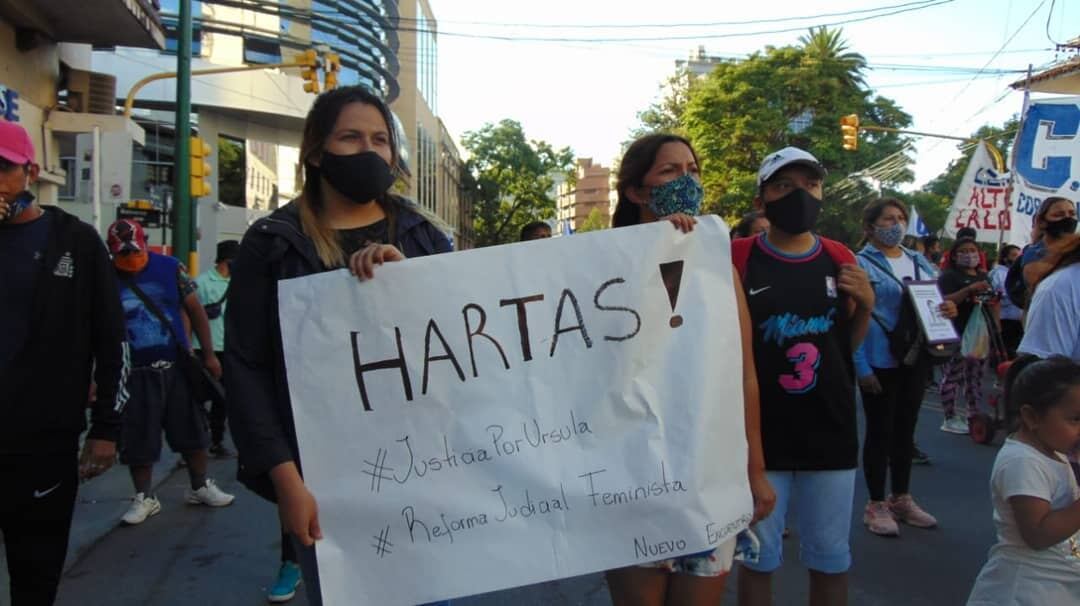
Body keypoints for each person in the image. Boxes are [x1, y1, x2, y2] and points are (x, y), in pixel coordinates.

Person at [225, 86, 453, 606]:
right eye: (350, 137)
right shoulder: (273, 243)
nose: (369, 150)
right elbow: (247, 367)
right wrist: (286, 480)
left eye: (380, 139)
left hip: (431, 472)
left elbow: (458, 351)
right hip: (327, 484)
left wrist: (412, 284)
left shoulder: (423, 237)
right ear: (315, 151)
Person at [607, 133, 775, 605]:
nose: (687, 180)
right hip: (631, 476)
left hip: (708, 473)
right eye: (670, 171)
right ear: (637, 192)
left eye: (693, 169)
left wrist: (755, 471)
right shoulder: (602, 267)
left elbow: (744, 374)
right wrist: (657, 249)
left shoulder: (716, 264)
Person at [734, 147, 874, 606]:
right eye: (783, 186)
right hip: (759, 438)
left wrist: (866, 307)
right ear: (761, 200)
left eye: (810, 185)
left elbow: (842, 349)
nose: (800, 196)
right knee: (758, 559)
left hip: (830, 431)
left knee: (831, 559)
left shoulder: (838, 257)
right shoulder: (735, 258)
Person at [0, 121, 128, 605]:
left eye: (3, 168)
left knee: (34, 577)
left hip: (42, 444)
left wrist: (106, 429)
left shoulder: (73, 241)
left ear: (30, 172)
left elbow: (112, 338)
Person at [108, 219, 235, 525]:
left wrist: (208, 355)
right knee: (139, 436)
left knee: (192, 428)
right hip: (134, 370)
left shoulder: (170, 267)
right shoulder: (104, 275)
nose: (130, 261)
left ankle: (200, 484)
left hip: (177, 364)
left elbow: (196, 311)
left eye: (134, 252)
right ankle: (144, 496)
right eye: (123, 255)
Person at [853, 198, 958, 537]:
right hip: (878, 358)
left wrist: (947, 311)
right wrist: (861, 366)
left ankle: (901, 497)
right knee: (879, 431)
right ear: (870, 228)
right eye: (888, 219)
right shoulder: (859, 265)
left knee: (905, 430)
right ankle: (875, 503)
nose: (896, 224)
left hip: (914, 357)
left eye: (900, 217)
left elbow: (936, 303)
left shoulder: (920, 262)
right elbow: (851, 318)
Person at [966, 355, 1080, 605]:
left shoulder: (1053, 450)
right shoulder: (1023, 462)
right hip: (1025, 588)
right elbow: (1037, 533)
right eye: (1075, 419)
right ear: (1032, 417)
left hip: (1054, 583)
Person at [937, 237, 996, 435]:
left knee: (975, 376)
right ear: (955, 255)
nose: (969, 254)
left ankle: (973, 413)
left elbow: (991, 302)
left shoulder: (983, 276)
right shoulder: (949, 277)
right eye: (964, 251)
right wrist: (968, 290)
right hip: (956, 332)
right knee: (953, 375)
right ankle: (950, 416)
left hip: (979, 333)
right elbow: (943, 300)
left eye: (973, 250)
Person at [194, 239, 239, 458]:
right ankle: (196, 444)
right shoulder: (201, 283)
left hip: (228, 348)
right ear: (227, 261)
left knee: (223, 399)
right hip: (202, 349)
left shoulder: (238, 282)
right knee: (199, 398)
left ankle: (216, 441)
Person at [989, 244, 1023, 358]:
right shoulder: (998, 273)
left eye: (1019, 255)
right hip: (1003, 319)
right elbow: (996, 296)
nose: (1017, 258)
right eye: (1014, 255)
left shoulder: (1018, 273)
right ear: (1005, 258)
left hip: (1017, 319)